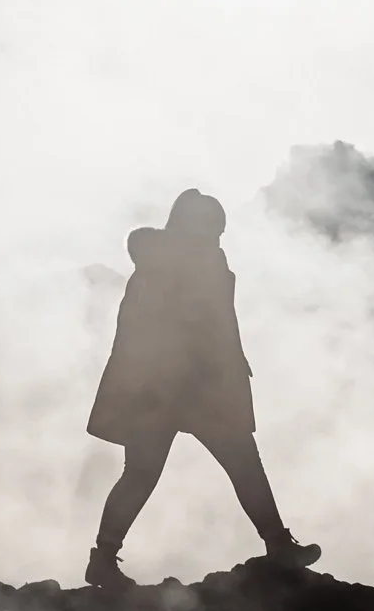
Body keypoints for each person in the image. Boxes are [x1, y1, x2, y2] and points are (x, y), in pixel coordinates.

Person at [84, 188, 320, 588]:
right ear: (193, 226)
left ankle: (104, 559)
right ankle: (278, 545)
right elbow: (167, 328)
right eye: (214, 230)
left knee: (152, 472)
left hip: (183, 388)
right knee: (230, 463)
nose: (218, 239)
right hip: (177, 388)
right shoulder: (171, 265)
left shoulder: (180, 261)